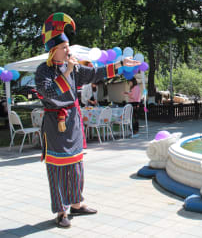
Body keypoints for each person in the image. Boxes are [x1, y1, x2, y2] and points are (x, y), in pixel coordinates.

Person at [35, 13, 139, 228]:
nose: (68, 51)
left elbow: (96, 73)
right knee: (57, 168)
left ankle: (76, 204)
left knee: (76, 165)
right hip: (55, 124)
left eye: (68, 46)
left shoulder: (75, 69)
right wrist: (70, 70)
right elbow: (48, 92)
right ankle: (61, 211)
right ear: (53, 50)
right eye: (64, 47)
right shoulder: (43, 70)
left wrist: (120, 64)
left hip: (72, 122)